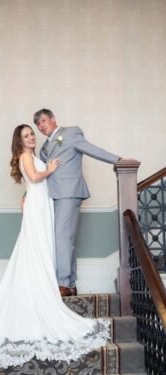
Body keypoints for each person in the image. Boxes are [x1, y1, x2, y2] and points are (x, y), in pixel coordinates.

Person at [0, 124, 110, 369]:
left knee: (45, 245)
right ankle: (38, 285)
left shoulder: (34, 155)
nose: (31, 137)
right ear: (20, 141)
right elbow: (35, 178)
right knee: (36, 245)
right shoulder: (25, 156)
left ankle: (45, 280)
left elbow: (32, 181)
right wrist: (51, 170)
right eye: (26, 136)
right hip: (37, 205)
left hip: (41, 202)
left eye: (32, 134)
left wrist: (31, 187)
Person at [34, 109, 121, 297]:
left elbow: (92, 149)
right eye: (38, 124)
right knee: (66, 239)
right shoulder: (44, 147)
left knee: (62, 237)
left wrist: (118, 160)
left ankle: (63, 283)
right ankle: (71, 283)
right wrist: (28, 193)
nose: (41, 126)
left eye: (43, 121)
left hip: (69, 192)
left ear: (53, 119)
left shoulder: (71, 133)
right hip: (51, 196)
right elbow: (41, 173)